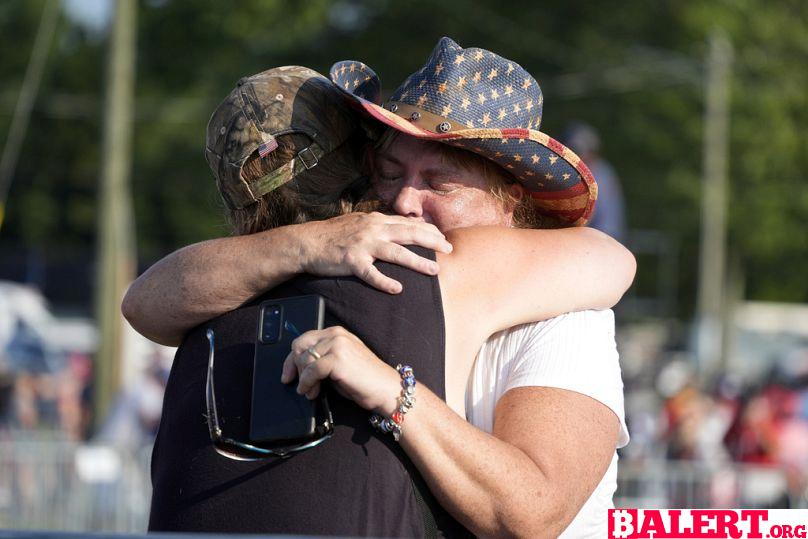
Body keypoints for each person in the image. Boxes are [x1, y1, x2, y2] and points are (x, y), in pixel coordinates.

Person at [131, 38, 634, 537]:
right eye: (390, 174)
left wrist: (395, 393)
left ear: (510, 199)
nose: (405, 203)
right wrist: (312, 242)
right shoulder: (345, 269)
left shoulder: (567, 317)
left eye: (440, 183)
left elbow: (534, 512)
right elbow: (144, 303)